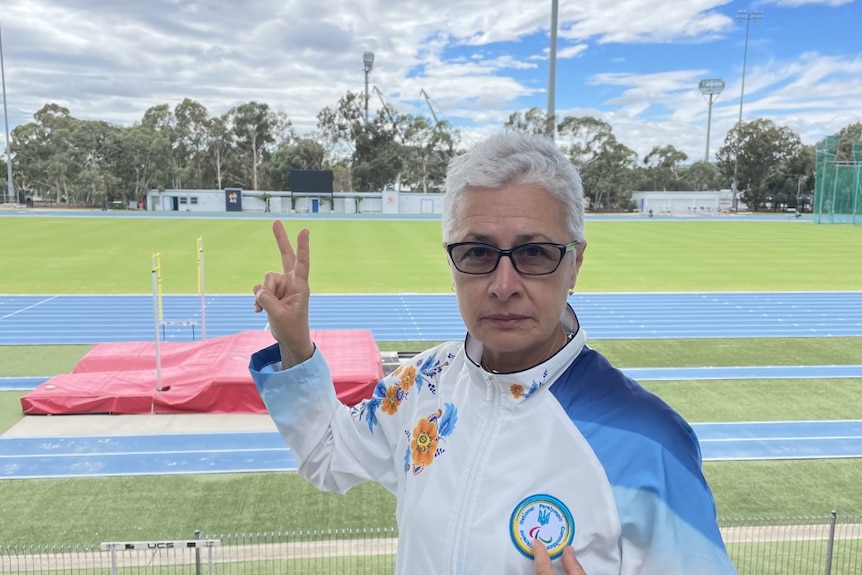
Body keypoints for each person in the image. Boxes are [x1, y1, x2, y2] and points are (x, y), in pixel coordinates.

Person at [249, 131, 738, 574]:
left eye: (534, 253)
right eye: (478, 253)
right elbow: (327, 455)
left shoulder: (649, 444)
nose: (504, 286)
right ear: (452, 260)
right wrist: (294, 340)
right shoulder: (420, 385)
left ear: (575, 263)